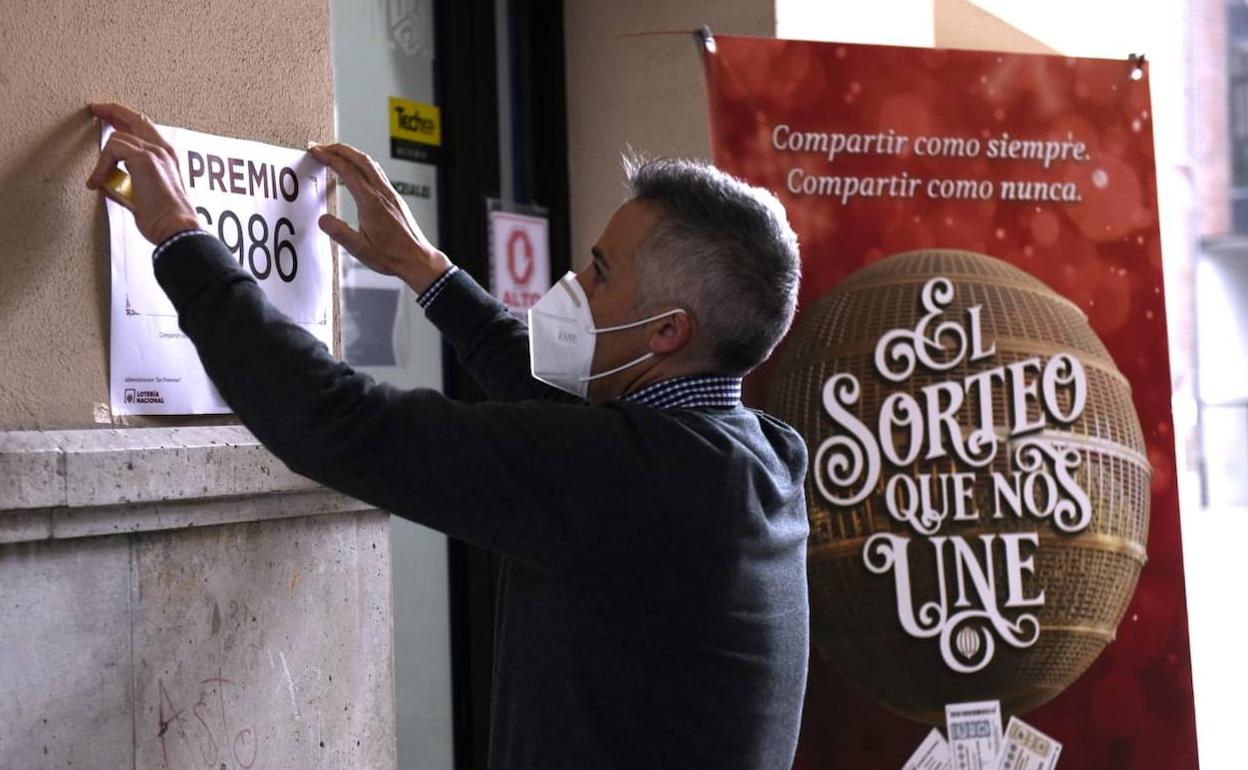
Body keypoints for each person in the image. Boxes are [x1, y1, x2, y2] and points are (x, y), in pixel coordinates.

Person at [86, 102, 809, 770]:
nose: (574, 286)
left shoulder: (643, 475)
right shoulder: (746, 455)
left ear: (667, 331)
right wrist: (425, 270)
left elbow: (339, 420)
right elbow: (548, 410)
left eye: (599, 272)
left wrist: (181, 237)